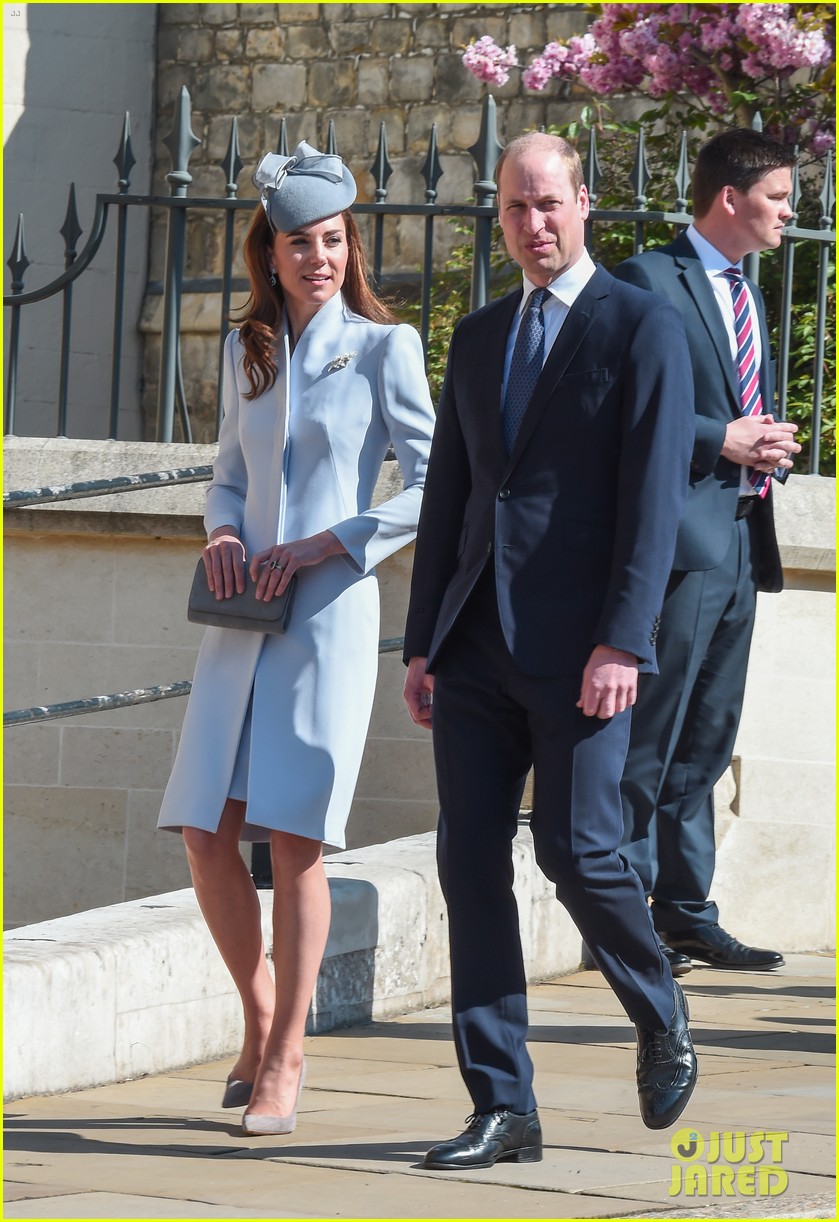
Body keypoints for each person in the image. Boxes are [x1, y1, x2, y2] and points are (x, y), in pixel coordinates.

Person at [402, 132, 698, 1171]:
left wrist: (623, 638)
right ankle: (502, 1104)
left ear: (584, 202)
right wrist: (421, 641)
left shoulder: (640, 327)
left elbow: (651, 501)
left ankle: (657, 1009)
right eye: (515, 208)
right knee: (466, 859)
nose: (533, 224)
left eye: (548, 204)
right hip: (474, 641)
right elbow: (451, 493)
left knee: (578, 851)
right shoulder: (480, 335)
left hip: (582, 649)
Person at [157, 142, 436, 1135]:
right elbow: (227, 475)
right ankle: (260, 1012)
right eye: (297, 243)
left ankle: (286, 1057)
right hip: (239, 617)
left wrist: (334, 542)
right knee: (203, 830)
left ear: (346, 245)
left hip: (324, 616)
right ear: (267, 254)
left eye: (331, 239)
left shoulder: (383, 347)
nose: (317, 256)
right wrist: (225, 530)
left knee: (294, 838)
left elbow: (432, 482)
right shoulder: (246, 351)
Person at [614, 129, 801, 977]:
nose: (789, 214)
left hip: (739, 535)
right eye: (777, 198)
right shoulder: (647, 280)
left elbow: (736, 407)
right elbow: (616, 409)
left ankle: (687, 914)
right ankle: (621, 913)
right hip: (678, 544)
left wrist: (761, 444)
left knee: (706, 737)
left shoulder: (748, 295)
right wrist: (718, 438)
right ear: (729, 198)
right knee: (651, 737)